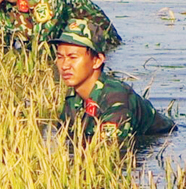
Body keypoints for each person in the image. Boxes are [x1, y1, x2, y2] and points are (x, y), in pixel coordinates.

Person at [52, 18, 174, 146]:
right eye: (60, 57)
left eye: (73, 57)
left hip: (161, 140)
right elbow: (67, 138)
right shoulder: (73, 97)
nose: (64, 65)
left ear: (97, 60)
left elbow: (111, 153)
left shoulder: (116, 98)